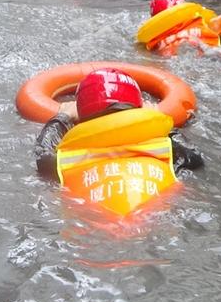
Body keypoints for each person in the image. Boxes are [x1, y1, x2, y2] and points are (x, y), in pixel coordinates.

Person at [34, 69, 203, 216]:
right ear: (138, 109)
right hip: (158, 216)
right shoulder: (166, 149)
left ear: (80, 119)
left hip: (92, 226)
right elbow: (195, 159)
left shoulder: (66, 159)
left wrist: (62, 118)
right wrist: (156, 121)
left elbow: (43, 154)